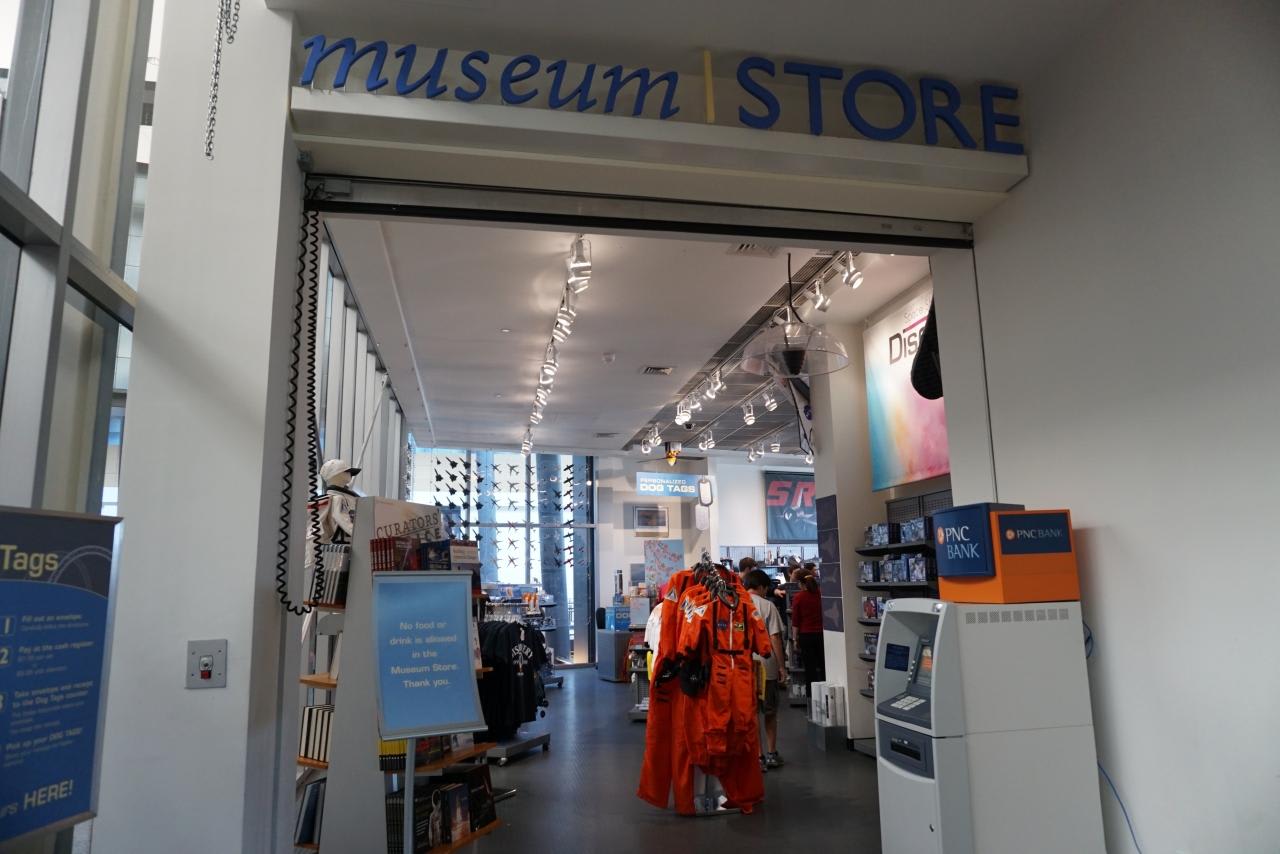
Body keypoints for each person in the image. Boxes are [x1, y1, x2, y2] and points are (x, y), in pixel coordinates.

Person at [744, 569, 787, 770]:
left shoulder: (736, 604)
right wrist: (782, 667)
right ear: (761, 587)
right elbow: (775, 637)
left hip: (745, 666)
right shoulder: (767, 606)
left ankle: (758, 756)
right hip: (766, 664)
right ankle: (771, 753)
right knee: (770, 711)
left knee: (751, 713)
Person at [790, 569, 825, 694]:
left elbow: (795, 621)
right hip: (822, 635)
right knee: (824, 667)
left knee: (810, 670)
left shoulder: (798, 597)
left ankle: (812, 698)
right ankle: (826, 695)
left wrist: (795, 639)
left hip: (806, 636)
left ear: (801, 583)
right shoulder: (821, 594)